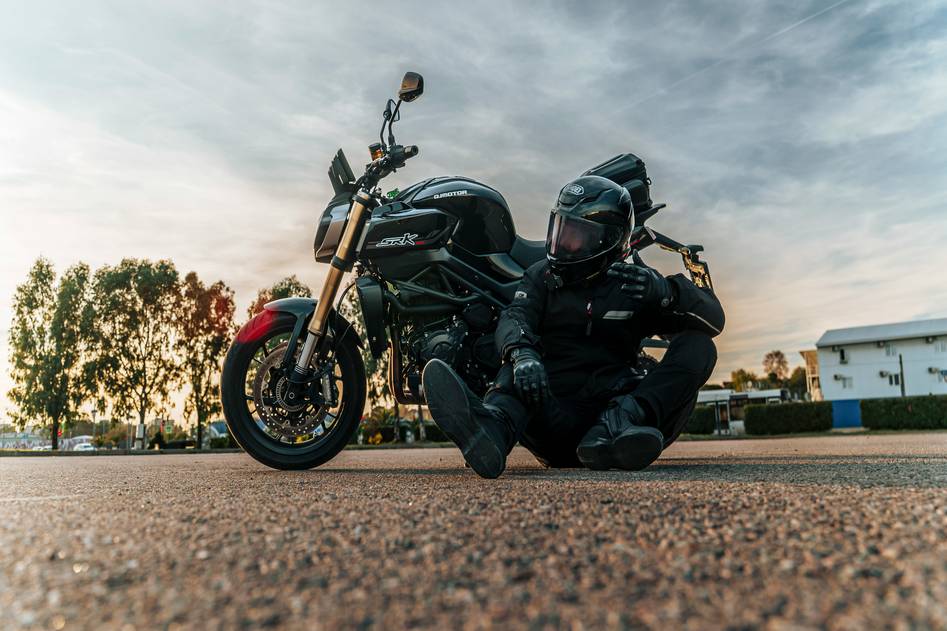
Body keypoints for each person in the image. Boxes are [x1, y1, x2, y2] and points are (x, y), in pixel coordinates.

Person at [422, 175, 724, 478]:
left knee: (700, 347)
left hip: (619, 426)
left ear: (609, 239)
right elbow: (515, 316)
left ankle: (618, 429)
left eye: (575, 235)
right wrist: (521, 354)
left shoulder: (636, 285)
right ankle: (493, 430)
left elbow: (713, 321)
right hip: (553, 418)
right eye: (560, 229)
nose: (561, 244)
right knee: (520, 360)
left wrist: (668, 293)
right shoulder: (541, 275)